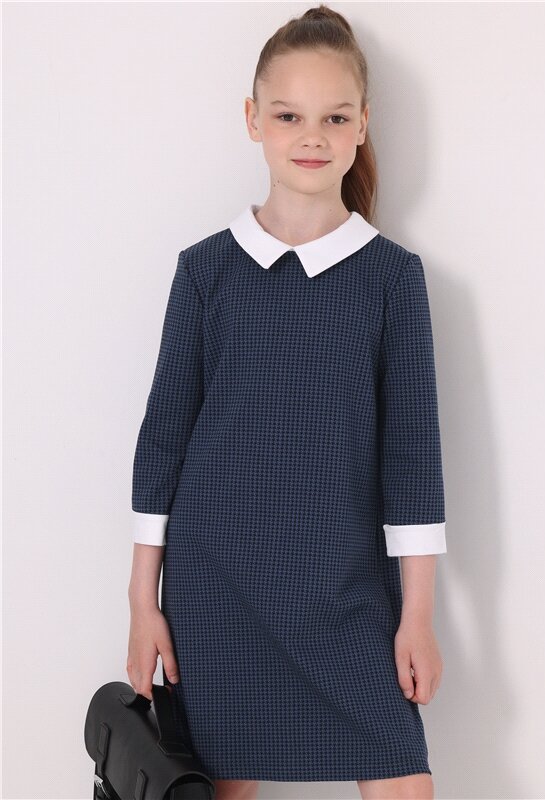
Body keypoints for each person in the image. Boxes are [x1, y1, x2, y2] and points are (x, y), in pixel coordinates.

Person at [127, 5, 447, 800]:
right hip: (216, 590)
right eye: (287, 115)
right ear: (252, 120)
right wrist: (141, 600)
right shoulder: (205, 271)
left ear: (362, 124)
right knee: (219, 789)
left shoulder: (392, 279)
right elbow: (163, 439)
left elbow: (411, 457)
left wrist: (417, 615)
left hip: (346, 591)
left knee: (402, 781)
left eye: (334, 117)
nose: (312, 136)